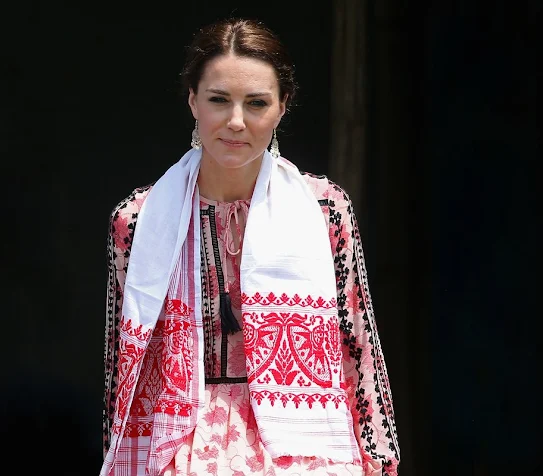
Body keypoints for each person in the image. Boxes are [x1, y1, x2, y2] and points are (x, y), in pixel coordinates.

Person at [100, 17, 400, 476]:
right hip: (177, 445)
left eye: (256, 103)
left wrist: (379, 462)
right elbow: (122, 366)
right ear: (192, 101)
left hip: (303, 447)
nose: (236, 121)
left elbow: (356, 347)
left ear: (283, 107)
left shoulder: (325, 210)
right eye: (219, 100)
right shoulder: (138, 220)